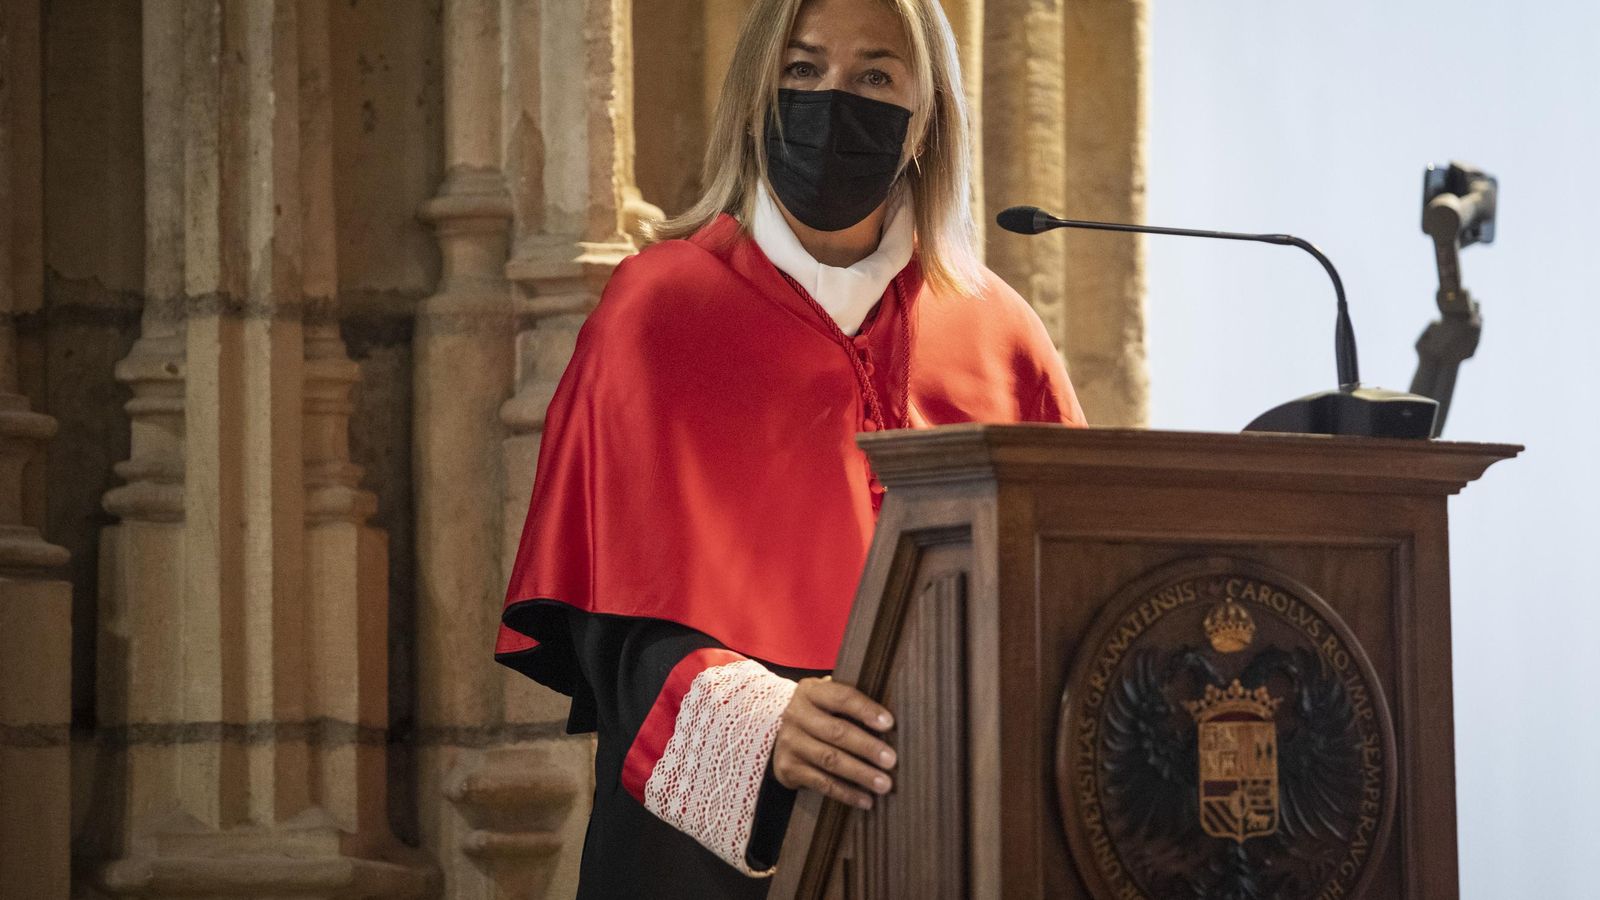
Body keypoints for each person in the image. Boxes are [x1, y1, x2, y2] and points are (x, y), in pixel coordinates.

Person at [493, 0, 1085, 895]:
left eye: (875, 77)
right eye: (802, 72)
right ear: (757, 95)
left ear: (926, 119)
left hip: (951, 829)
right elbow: (606, 620)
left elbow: (1070, 592)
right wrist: (769, 724)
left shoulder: (998, 332)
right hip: (708, 860)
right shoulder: (657, 308)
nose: (832, 102)